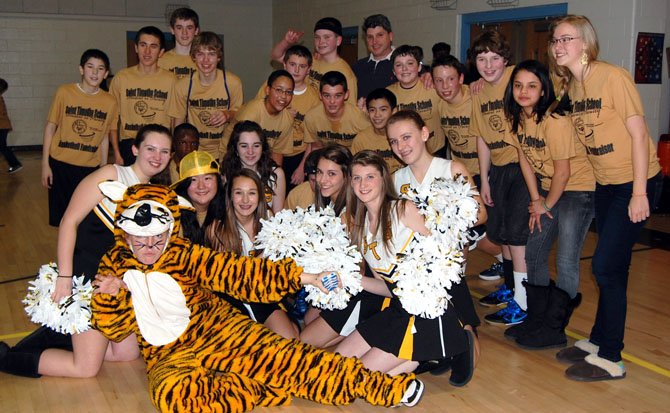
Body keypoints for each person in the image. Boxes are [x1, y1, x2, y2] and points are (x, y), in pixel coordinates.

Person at [89, 182, 424, 412]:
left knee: (295, 360)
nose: (150, 247)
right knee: (173, 398)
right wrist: (110, 297)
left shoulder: (184, 254)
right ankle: (264, 387)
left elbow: (241, 274)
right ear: (124, 231)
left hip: (221, 331)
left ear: (170, 228)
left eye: (158, 237)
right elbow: (115, 330)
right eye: (140, 239)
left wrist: (307, 277)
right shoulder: (113, 266)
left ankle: (383, 389)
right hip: (170, 354)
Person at [0, 124, 172, 378]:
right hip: (86, 280)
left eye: (164, 151)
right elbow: (69, 221)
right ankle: (7, 359)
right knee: (85, 369)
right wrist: (65, 278)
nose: (157, 157)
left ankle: (67, 336)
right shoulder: (111, 175)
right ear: (135, 149)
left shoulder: (156, 196)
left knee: (126, 353)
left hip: (114, 285)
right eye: (151, 148)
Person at [547, 15, 662, 381]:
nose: (558, 45)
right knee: (614, 269)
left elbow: (639, 134)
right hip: (606, 185)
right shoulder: (572, 87)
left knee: (605, 268)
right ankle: (599, 340)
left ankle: (612, 358)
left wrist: (640, 191)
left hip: (635, 182)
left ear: (586, 43)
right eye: (554, 40)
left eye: (567, 39)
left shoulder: (613, 77)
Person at [333, 151, 475, 383]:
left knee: (359, 379)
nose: (363, 184)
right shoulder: (357, 226)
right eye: (356, 178)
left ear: (383, 179)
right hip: (398, 308)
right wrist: (349, 279)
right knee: (338, 362)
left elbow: (446, 251)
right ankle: (427, 357)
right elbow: (387, 287)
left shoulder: (402, 209)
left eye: (370, 177)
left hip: (427, 313)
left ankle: (446, 343)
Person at [501, 59, 595, 350]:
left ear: (544, 91)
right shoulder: (515, 118)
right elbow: (524, 160)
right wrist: (535, 200)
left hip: (577, 191)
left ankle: (554, 328)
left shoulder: (555, 121)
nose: (523, 91)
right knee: (534, 254)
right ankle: (537, 319)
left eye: (532, 86)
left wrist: (546, 205)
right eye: (518, 85)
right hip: (548, 190)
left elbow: (564, 172)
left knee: (566, 259)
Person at [387, 110, 484, 382]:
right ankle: (443, 348)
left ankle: (464, 338)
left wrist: (443, 221)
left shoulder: (451, 169)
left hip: (446, 261)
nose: (401, 146)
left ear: (425, 133)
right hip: (414, 266)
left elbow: (481, 214)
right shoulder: (395, 180)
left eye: (406, 137)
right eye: (394, 141)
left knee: (444, 275)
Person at [469, 30, 530, 326]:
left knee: (517, 238)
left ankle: (523, 300)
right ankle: (510, 286)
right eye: (482, 59)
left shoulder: (516, 80)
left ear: (505, 59)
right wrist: (486, 179)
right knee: (503, 233)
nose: (489, 64)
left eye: (495, 58)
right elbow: (481, 136)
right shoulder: (477, 91)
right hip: (499, 169)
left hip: (523, 166)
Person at [431, 55, 504, 281]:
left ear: (461, 78)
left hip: (487, 173)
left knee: (483, 235)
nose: (445, 86)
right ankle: (456, 281)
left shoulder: (476, 96)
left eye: (450, 79)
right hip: (460, 178)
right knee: (461, 233)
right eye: (439, 80)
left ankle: (510, 265)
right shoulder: (438, 102)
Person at [41, 49, 119, 227]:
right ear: (81, 69)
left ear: (106, 73)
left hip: (88, 169)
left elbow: (104, 137)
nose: (94, 72)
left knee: (85, 218)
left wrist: (102, 169)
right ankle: (63, 254)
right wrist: (45, 164)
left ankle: (78, 254)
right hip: (60, 165)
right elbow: (50, 126)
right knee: (62, 219)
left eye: (100, 69)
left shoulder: (110, 102)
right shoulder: (64, 92)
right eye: (90, 67)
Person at [168, 32, 244, 160]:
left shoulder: (232, 82)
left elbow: (241, 117)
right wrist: (176, 152)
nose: (206, 60)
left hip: (224, 150)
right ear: (193, 57)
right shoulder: (183, 85)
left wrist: (227, 114)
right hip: (194, 150)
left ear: (219, 57)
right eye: (200, 54)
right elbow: (178, 124)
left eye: (211, 54)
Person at [109, 26, 175, 166]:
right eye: (143, 45)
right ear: (136, 48)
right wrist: (116, 152)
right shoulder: (121, 78)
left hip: (159, 145)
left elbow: (176, 119)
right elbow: (111, 120)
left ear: (161, 52)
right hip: (130, 145)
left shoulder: (172, 80)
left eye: (153, 46)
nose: (147, 51)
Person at [271, 17, 358, 100]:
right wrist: (286, 42)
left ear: (338, 41)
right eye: (317, 37)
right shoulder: (312, 59)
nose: (321, 42)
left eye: (326, 37)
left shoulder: (346, 74)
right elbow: (276, 56)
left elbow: (350, 110)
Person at [222, 70, 294, 167]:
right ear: (267, 90)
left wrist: (274, 178)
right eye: (279, 90)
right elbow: (237, 149)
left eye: (288, 92)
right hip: (234, 157)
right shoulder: (251, 113)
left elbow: (277, 153)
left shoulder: (287, 119)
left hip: (259, 160)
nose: (283, 96)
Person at [386, 45, 444, 155]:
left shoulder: (433, 87)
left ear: (419, 67)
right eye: (399, 65)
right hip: (405, 152)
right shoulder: (388, 95)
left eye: (410, 63)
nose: (404, 69)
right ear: (393, 71)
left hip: (436, 152)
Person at [221, 120, 286, 214]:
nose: (250, 152)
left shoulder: (276, 174)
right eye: (244, 146)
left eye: (256, 146)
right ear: (235, 149)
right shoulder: (226, 173)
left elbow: (279, 216)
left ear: (262, 147)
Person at [303, 71, 370, 151]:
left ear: (346, 95)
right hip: (326, 158)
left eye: (338, 96)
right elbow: (316, 147)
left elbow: (368, 150)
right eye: (327, 95)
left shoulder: (360, 119)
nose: (332, 101)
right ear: (320, 95)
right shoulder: (312, 117)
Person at [351, 88, 403, 173]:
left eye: (383, 109)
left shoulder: (404, 135)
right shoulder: (361, 140)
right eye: (372, 110)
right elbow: (354, 170)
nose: (377, 115)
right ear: (368, 112)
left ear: (394, 111)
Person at [352, 14, 397, 101]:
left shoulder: (405, 65)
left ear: (390, 36)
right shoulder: (357, 67)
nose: (374, 42)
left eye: (380, 35)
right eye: (370, 37)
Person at [158, 7, 199, 79]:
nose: (184, 33)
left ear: (196, 31)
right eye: (179, 28)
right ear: (172, 30)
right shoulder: (160, 61)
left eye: (189, 28)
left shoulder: (203, 61)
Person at [0, 78, 22, 173]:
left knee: (2, 147)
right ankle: (15, 164)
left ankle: (15, 164)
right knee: (2, 146)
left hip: (2, 126)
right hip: (3, 126)